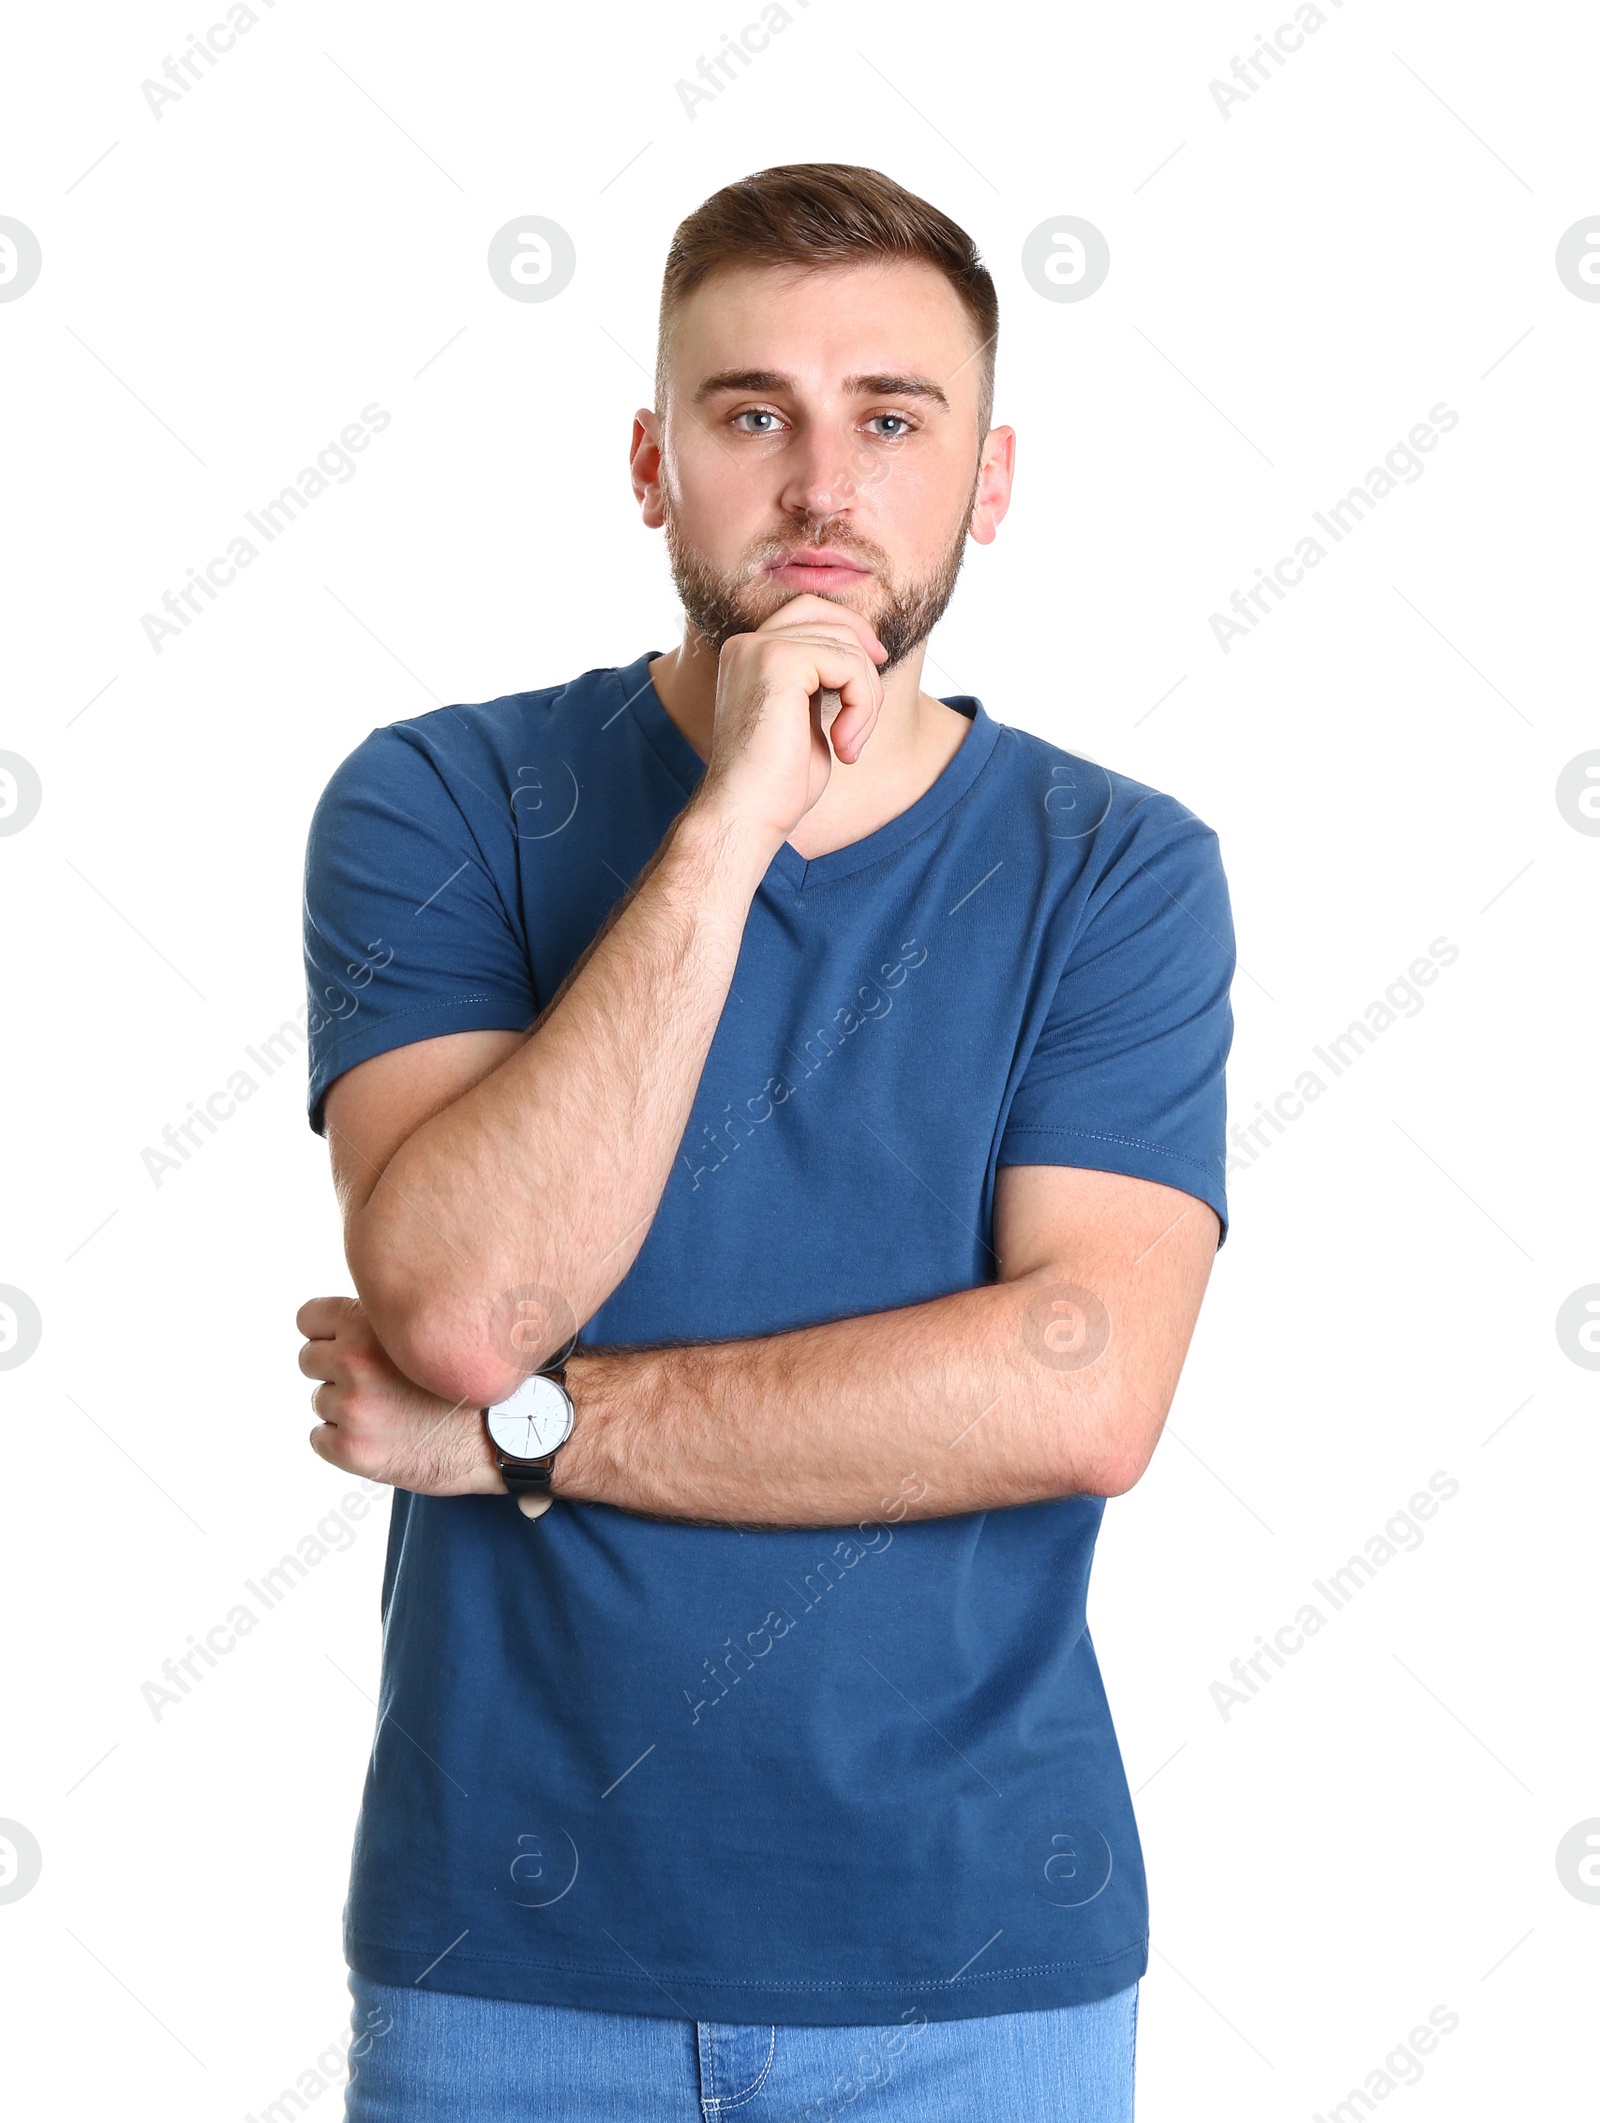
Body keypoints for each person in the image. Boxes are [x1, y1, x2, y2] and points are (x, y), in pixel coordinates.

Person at [297, 161, 1234, 2122]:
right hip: (510, 1969)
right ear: (652, 462)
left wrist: (518, 1441)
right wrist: (727, 822)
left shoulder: (1116, 873)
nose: (824, 488)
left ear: (985, 484)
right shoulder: (440, 803)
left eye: (891, 422)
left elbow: (1080, 1387)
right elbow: (468, 1304)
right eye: (752, 418)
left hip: (977, 1984)